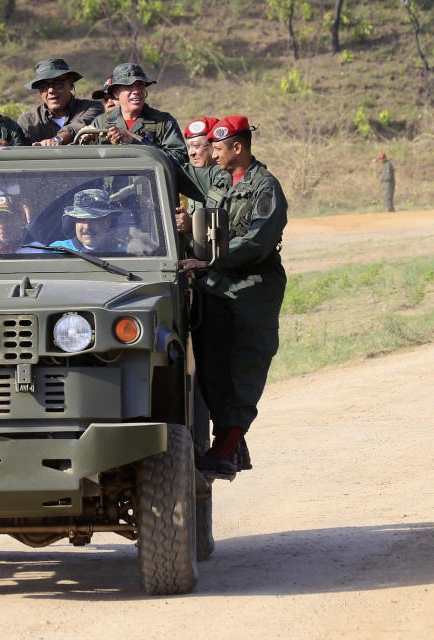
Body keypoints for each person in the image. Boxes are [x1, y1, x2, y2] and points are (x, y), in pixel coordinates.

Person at [176, 116, 287, 475]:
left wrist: (209, 259)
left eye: (219, 149)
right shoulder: (218, 177)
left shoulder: (265, 187)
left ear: (237, 148)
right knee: (210, 362)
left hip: (253, 285)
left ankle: (226, 444)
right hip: (215, 283)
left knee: (246, 362)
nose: (213, 154)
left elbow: (258, 239)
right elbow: (177, 171)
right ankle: (232, 441)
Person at [82, 62, 187, 164]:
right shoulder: (101, 122)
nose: (136, 91)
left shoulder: (164, 122)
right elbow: (85, 163)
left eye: (140, 85)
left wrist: (137, 140)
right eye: (129, 86)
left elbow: (180, 161)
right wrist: (85, 141)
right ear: (115, 92)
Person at [17, 58, 103, 146]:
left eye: (58, 84)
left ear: (71, 85)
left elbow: (78, 126)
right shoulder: (27, 121)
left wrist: (58, 139)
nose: (50, 90)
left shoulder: (91, 108)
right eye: (44, 86)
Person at [175, 116, 218, 234]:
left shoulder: (227, 177)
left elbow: (229, 222)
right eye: (189, 147)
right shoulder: (191, 177)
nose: (191, 153)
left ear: (215, 145)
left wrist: (194, 223)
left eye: (196, 146)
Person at [49, 189, 120, 252]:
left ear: (107, 221)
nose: (86, 227)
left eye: (93, 220)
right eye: (81, 219)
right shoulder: (57, 250)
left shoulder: (123, 253)